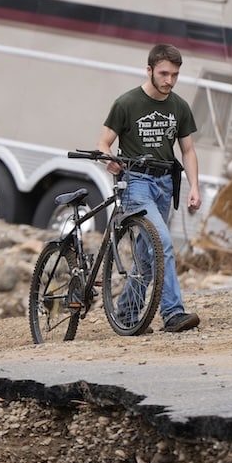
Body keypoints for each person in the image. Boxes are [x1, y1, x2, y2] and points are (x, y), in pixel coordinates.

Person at [97, 43, 201, 333]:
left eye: (175, 75)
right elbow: (103, 142)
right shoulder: (127, 103)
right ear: (149, 70)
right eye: (164, 73)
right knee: (162, 242)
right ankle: (173, 314)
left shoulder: (179, 106)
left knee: (146, 256)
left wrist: (194, 186)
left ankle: (128, 315)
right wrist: (110, 160)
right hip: (137, 183)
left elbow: (188, 150)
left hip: (165, 183)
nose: (169, 81)